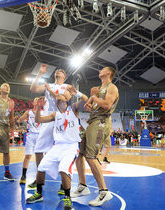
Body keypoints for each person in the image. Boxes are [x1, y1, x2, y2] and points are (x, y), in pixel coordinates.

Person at [26, 88, 88, 210]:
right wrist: (38, 108)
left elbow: (85, 99)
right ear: (56, 102)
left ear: (66, 101)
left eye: (62, 97)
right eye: (57, 97)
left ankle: (67, 198)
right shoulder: (55, 114)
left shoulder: (73, 109)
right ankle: (38, 193)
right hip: (57, 146)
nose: (59, 96)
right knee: (41, 166)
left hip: (71, 146)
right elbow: (38, 120)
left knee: (64, 169)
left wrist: (78, 94)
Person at [72, 67, 119, 206]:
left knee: (91, 157)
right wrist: (90, 103)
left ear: (108, 73)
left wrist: (93, 97)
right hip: (92, 122)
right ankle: (83, 186)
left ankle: (104, 192)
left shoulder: (112, 87)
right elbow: (91, 107)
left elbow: (107, 105)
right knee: (80, 154)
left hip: (100, 123)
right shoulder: (98, 88)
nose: (100, 70)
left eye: (103, 69)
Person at [29, 64, 72, 190]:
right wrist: (40, 74)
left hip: (61, 119)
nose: (58, 71)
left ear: (64, 76)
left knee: (62, 151)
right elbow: (33, 88)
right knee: (38, 149)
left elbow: (62, 100)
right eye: (57, 70)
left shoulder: (66, 87)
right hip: (48, 118)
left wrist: (49, 89)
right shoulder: (49, 85)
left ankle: (64, 183)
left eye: (61, 71)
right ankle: (39, 177)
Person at [17, 97, 41, 184]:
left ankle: (38, 177)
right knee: (28, 156)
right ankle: (23, 175)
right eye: (35, 99)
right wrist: (19, 119)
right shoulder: (29, 112)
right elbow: (20, 120)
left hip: (40, 136)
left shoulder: (43, 112)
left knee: (39, 158)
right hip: (30, 135)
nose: (37, 101)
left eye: (39, 100)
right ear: (33, 102)